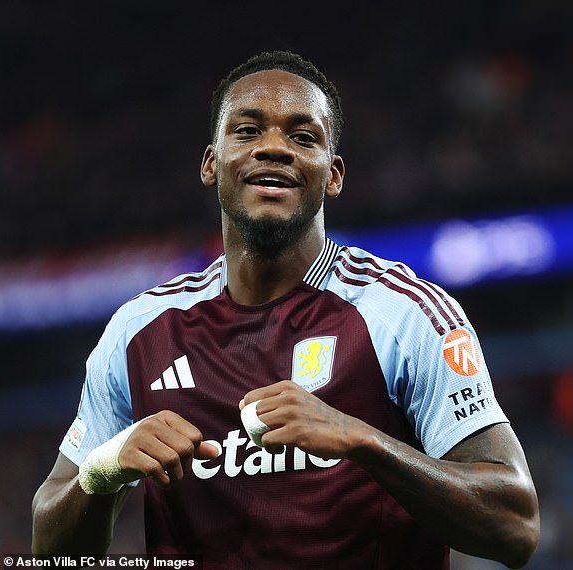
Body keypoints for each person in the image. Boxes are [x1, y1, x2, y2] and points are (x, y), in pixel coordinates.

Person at [32, 50, 540, 569]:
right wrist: (103, 469)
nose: (274, 148)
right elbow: (51, 553)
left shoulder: (405, 314)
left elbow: (516, 526)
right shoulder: (138, 331)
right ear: (211, 163)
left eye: (303, 136)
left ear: (333, 174)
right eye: (248, 131)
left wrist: (363, 440)